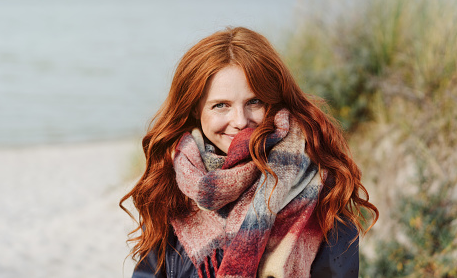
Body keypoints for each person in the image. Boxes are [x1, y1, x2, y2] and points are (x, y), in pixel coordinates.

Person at [120, 27, 378, 278]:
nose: (240, 121)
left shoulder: (323, 191)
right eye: (221, 105)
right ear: (196, 110)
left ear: (275, 103)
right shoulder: (172, 186)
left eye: (254, 102)